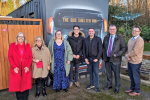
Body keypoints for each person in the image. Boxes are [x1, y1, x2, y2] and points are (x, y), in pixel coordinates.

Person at [8, 32, 32, 100]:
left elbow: (30, 57)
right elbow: (10, 57)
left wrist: (28, 66)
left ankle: (25, 97)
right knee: (17, 84)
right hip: (16, 68)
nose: (21, 38)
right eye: (19, 36)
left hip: (25, 68)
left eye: (22, 36)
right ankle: (19, 98)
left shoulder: (27, 45)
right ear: (17, 37)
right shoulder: (12, 45)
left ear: (24, 38)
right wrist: (14, 66)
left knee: (25, 83)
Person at [103, 25, 127, 93]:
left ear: (116, 30)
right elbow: (103, 48)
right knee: (108, 74)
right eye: (110, 29)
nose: (112, 30)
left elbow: (124, 48)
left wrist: (117, 54)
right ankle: (109, 85)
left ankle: (117, 87)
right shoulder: (106, 37)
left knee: (116, 75)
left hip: (116, 60)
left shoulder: (120, 38)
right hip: (107, 59)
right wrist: (103, 57)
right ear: (109, 30)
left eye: (113, 29)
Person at [125, 25, 144, 96]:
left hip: (136, 62)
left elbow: (135, 51)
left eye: (136, 31)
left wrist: (128, 55)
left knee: (136, 77)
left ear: (139, 32)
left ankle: (137, 91)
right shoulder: (131, 39)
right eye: (133, 30)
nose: (134, 32)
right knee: (131, 76)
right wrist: (127, 56)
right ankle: (132, 88)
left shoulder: (139, 40)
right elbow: (127, 49)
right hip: (130, 61)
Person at [83, 27, 103, 93]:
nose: (91, 32)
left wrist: (97, 58)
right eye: (89, 31)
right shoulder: (85, 39)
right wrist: (85, 58)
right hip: (88, 59)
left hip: (95, 59)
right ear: (88, 32)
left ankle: (97, 87)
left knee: (96, 73)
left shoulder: (98, 39)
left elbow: (100, 50)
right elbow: (83, 50)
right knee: (90, 73)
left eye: (92, 31)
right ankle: (91, 84)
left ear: (94, 32)